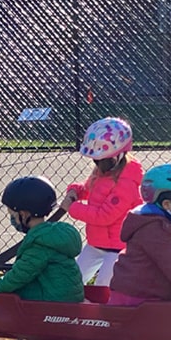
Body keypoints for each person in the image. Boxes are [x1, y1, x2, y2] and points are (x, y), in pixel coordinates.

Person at [60, 117, 143, 286]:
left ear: (119, 155)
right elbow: (89, 188)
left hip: (119, 246)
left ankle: (108, 312)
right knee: (72, 281)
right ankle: (71, 310)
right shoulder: (101, 173)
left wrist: (73, 208)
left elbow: (104, 216)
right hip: (97, 242)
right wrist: (75, 190)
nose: (98, 164)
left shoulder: (127, 182)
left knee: (104, 285)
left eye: (104, 160)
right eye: (96, 160)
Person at [0, 176, 84, 303]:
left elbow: (20, 275)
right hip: (63, 294)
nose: (12, 219)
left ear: (24, 215)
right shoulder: (52, 234)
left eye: (13, 215)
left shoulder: (40, 244)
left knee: (5, 299)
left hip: (53, 300)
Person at [108, 163, 171, 305]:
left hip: (151, 293)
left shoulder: (167, 223)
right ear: (168, 205)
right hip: (136, 298)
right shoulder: (153, 229)